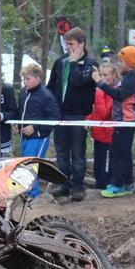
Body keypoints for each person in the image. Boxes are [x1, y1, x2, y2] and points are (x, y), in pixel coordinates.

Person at [47, 27, 98, 201]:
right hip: (60, 114)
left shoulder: (91, 64)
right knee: (61, 152)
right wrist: (53, 109)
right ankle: (64, 184)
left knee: (77, 153)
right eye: (66, 44)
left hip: (79, 115)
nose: (68, 47)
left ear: (82, 44)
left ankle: (78, 186)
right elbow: (51, 87)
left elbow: (78, 82)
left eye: (72, 44)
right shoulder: (60, 62)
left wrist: (74, 62)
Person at [92, 46, 135, 198]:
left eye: (121, 61)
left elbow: (118, 95)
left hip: (125, 122)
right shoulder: (126, 77)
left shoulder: (131, 78)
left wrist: (100, 83)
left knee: (118, 154)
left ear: (129, 62)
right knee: (123, 153)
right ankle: (127, 183)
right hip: (122, 121)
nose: (119, 64)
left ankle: (118, 185)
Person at [17, 63, 60, 198]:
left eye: (28, 79)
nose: (25, 82)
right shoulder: (23, 92)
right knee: (25, 164)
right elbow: (21, 112)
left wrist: (35, 127)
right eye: (23, 79)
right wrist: (17, 125)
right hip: (24, 136)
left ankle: (33, 194)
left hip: (39, 138)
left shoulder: (46, 95)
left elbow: (54, 118)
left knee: (32, 164)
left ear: (38, 78)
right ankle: (26, 191)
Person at [86, 62, 117, 189]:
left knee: (106, 165)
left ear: (113, 76)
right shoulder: (99, 90)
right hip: (98, 134)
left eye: (106, 75)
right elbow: (96, 111)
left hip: (108, 136)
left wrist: (99, 91)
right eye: (101, 75)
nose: (103, 78)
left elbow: (104, 112)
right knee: (98, 164)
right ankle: (99, 185)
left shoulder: (112, 92)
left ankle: (106, 186)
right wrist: (89, 119)